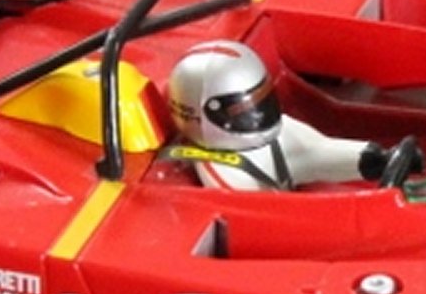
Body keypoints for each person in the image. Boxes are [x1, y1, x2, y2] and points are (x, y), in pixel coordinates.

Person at [166, 41, 404, 191]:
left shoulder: (281, 131)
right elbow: (271, 216)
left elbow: (318, 152)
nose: (257, 114)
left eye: (260, 99)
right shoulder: (227, 177)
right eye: (241, 110)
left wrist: (379, 159)